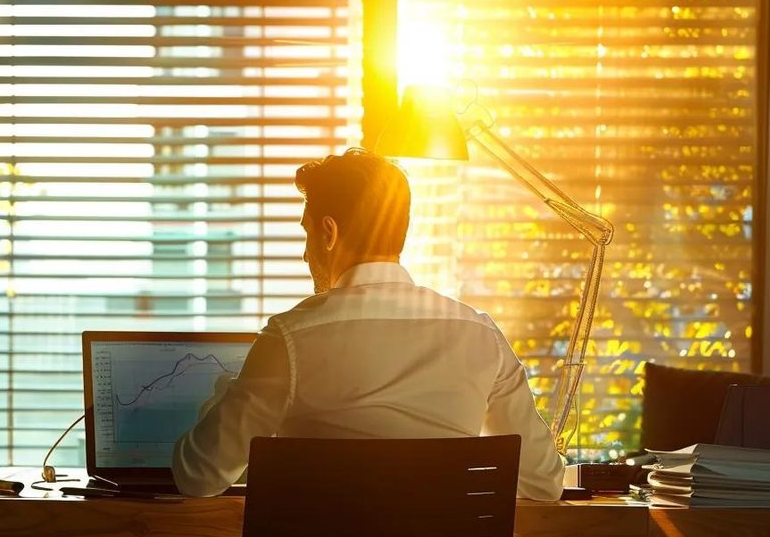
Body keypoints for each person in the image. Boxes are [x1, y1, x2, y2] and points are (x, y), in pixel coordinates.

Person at [170, 148, 564, 500]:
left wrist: (226, 390)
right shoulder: (482, 335)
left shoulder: (289, 338)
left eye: (306, 232)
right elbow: (544, 483)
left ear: (328, 232)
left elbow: (198, 476)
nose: (305, 254)